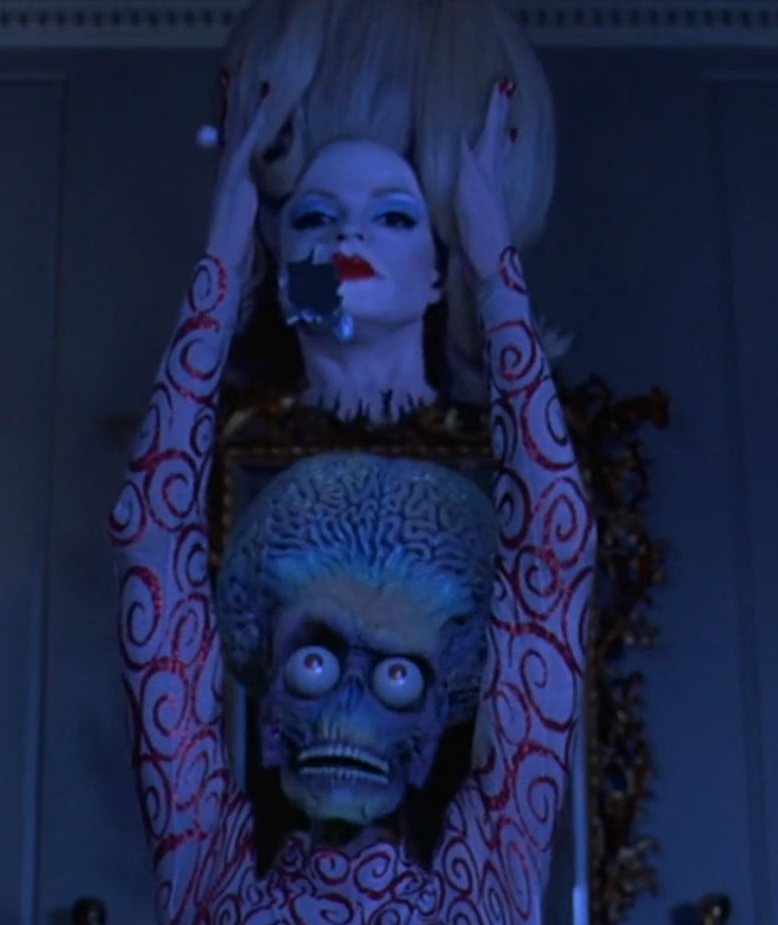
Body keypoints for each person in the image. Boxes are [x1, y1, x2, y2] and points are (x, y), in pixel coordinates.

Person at [109, 71, 593, 923]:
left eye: (398, 676)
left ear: (435, 718)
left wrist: (494, 270)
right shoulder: (206, 869)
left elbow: (554, 562)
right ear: (267, 702)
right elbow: (148, 533)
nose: (348, 707)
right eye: (315, 661)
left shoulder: (492, 875)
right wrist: (222, 261)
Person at [209, 0, 570, 415]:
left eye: (394, 218)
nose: (348, 234)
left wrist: (495, 274)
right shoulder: (227, 440)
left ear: (440, 269)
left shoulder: (503, 442)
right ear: (277, 253)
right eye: (314, 217)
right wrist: (220, 263)